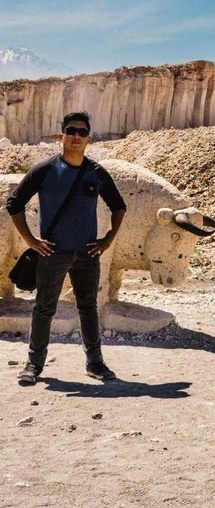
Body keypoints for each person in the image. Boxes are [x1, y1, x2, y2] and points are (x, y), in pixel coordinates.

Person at [5, 111, 127, 384]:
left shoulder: (96, 172)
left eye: (82, 132)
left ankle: (95, 364)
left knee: (88, 308)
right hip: (52, 253)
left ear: (88, 138)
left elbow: (119, 206)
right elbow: (14, 203)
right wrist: (31, 241)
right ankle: (33, 366)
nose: (76, 136)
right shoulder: (46, 169)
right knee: (44, 309)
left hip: (87, 254)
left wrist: (108, 240)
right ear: (62, 134)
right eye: (71, 131)